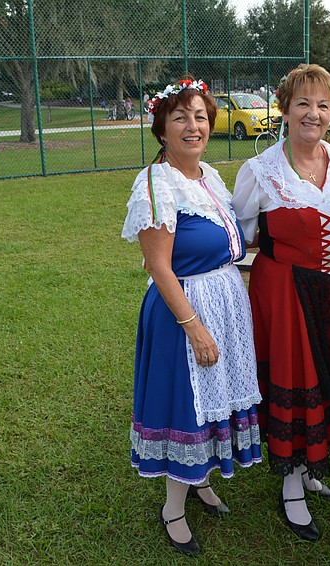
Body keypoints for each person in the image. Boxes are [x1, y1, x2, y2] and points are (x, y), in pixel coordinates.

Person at [232, 64, 330, 542]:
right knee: (297, 381)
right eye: (303, 104)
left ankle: (312, 469)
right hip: (286, 293)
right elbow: (239, 237)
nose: (313, 113)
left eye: (323, 105)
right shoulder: (260, 171)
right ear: (284, 111)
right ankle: (292, 484)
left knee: (329, 376)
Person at [121, 76, 263, 555]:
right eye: (180, 116)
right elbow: (158, 265)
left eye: (200, 116)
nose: (192, 125)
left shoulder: (209, 177)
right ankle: (173, 507)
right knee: (189, 401)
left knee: (215, 396)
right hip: (185, 311)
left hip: (223, 299)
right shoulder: (156, 185)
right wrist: (195, 327)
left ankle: (199, 478)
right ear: (161, 128)